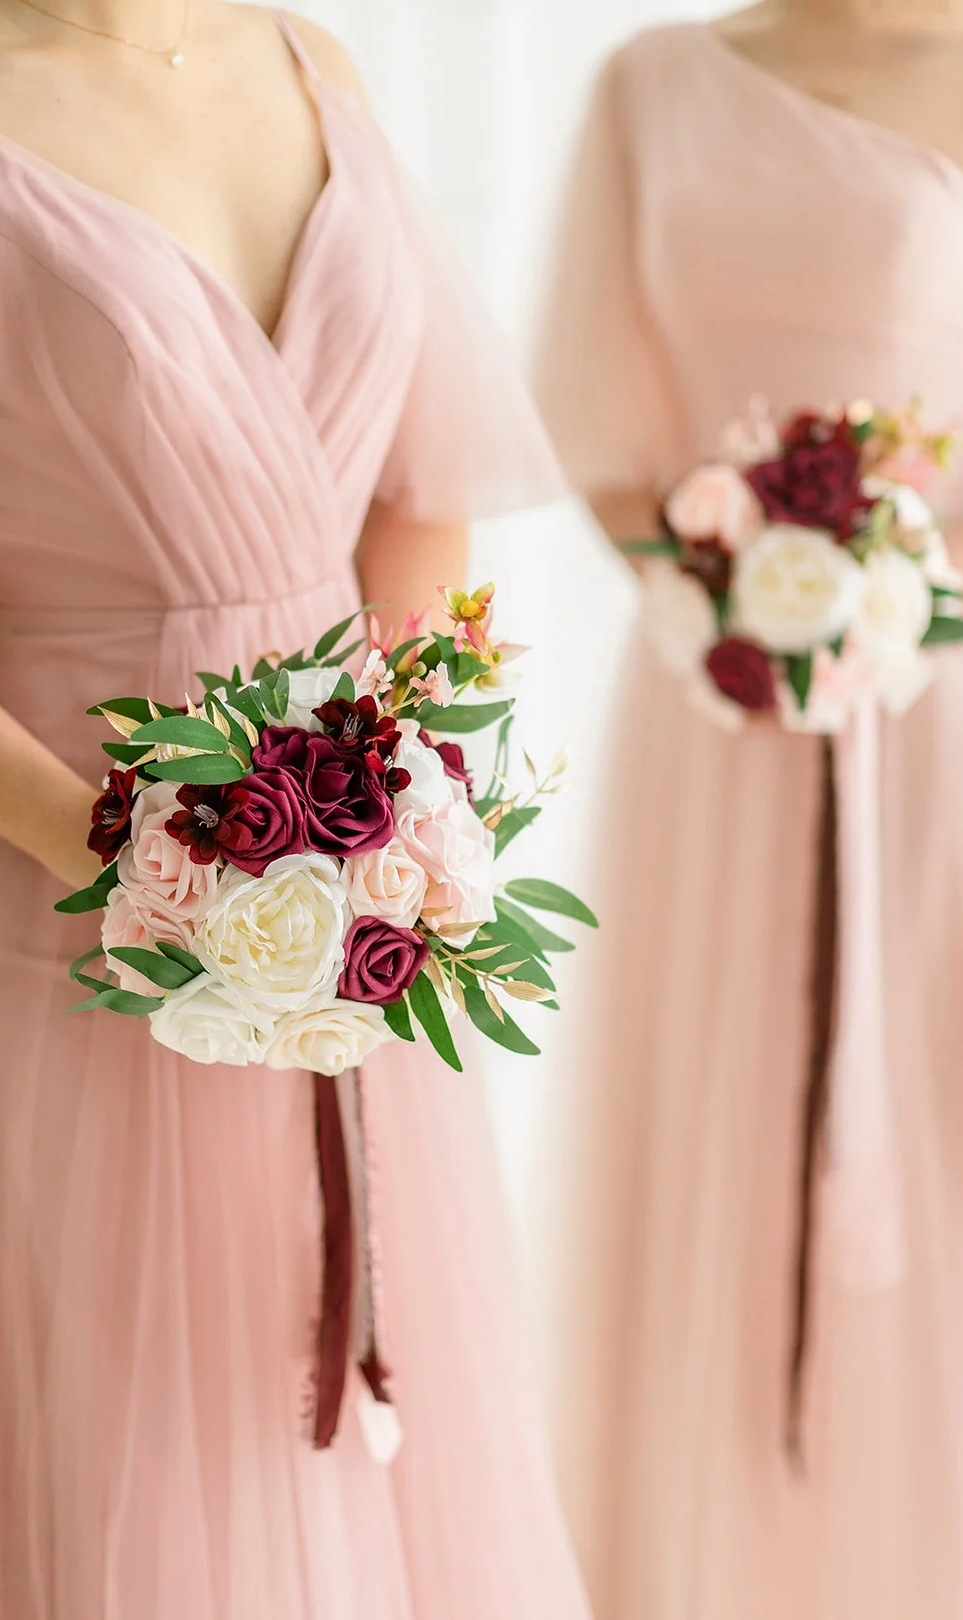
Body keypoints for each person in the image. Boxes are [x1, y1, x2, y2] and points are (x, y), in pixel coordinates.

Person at [0, 4, 591, 1615]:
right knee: (128, 1422)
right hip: (57, 888)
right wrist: (147, 863)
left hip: (359, 881)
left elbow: (420, 486)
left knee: (349, 1399)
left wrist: (396, 804)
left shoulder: (308, 57)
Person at [534, 3, 963, 1617]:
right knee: (710, 1091)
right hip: (710, 697)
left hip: (935, 710)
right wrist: (729, 605)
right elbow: (596, 420)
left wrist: (890, 605)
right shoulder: (648, 87)